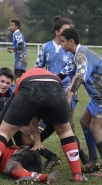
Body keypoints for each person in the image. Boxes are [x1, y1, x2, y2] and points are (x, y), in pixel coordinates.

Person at [0, 67, 87, 183]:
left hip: (29, 87)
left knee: (4, 132)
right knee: (65, 132)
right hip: (56, 88)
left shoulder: (22, 83)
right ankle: (77, 174)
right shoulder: (50, 77)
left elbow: (0, 120)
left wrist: (9, 139)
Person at [60, 28, 102, 178]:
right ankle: (93, 161)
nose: (61, 44)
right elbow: (71, 73)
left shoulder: (82, 54)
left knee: (95, 128)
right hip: (98, 96)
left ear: (71, 41)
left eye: (62, 41)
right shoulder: (78, 54)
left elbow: (80, 76)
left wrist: (70, 94)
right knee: (84, 121)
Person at [34, 15, 88, 165]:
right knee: (51, 125)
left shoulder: (72, 48)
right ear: (57, 32)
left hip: (66, 91)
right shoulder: (46, 47)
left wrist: (71, 90)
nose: (70, 31)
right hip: (48, 90)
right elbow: (37, 67)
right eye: (66, 29)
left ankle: (81, 158)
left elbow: (78, 72)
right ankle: (40, 150)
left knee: (66, 126)